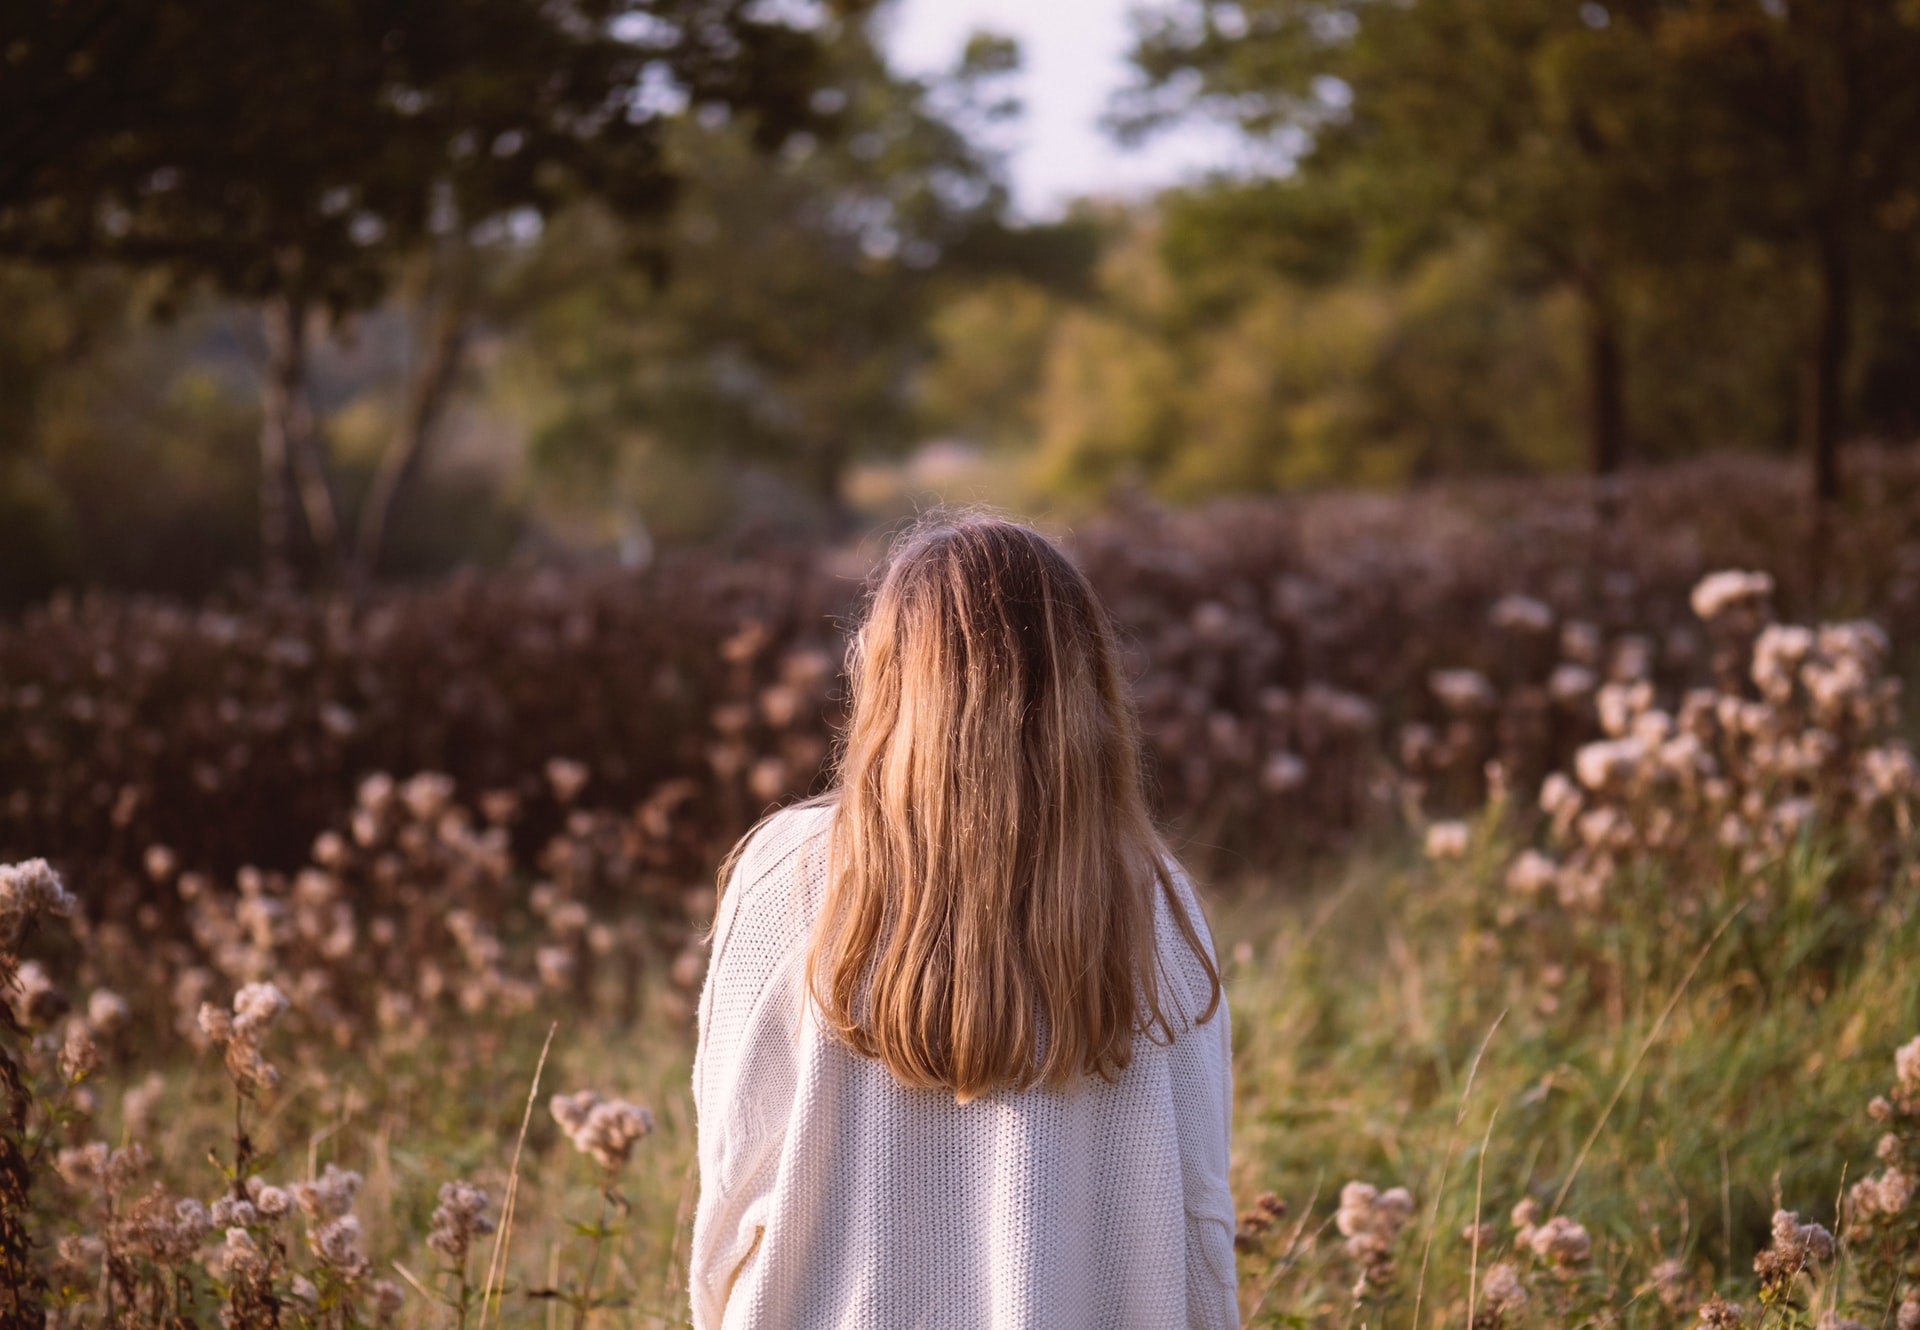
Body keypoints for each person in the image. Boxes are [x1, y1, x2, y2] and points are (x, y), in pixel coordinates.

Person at [690, 514, 1238, 1329]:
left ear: (888, 674)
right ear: (1084, 681)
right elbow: (1200, 1209)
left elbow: (733, 1189)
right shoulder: (1152, 899)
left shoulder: (788, 878)